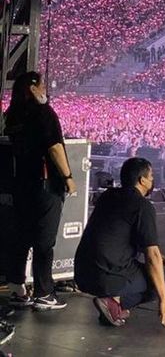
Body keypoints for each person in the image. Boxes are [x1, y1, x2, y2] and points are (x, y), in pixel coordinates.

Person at [74, 157, 165, 328]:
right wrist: (163, 301)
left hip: (82, 273)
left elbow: (116, 236)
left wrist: (160, 256)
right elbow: (152, 256)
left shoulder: (108, 196)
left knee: (154, 267)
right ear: (142, 180)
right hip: (106, 277)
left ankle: (111, 306)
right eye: (151, 177)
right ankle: (115, 304)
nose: (152, 180)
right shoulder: (142, 206)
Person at [3, 71, 76, 311]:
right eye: (42, 84)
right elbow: (54, 147)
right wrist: (68, 176)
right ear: (34, 88)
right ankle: (44, 292)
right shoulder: (44, 113)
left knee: (21, 237)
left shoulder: (13, 115)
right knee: (45, 240)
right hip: (45, 185)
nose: (46, 88)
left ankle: (16, 287)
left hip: (21, 184)